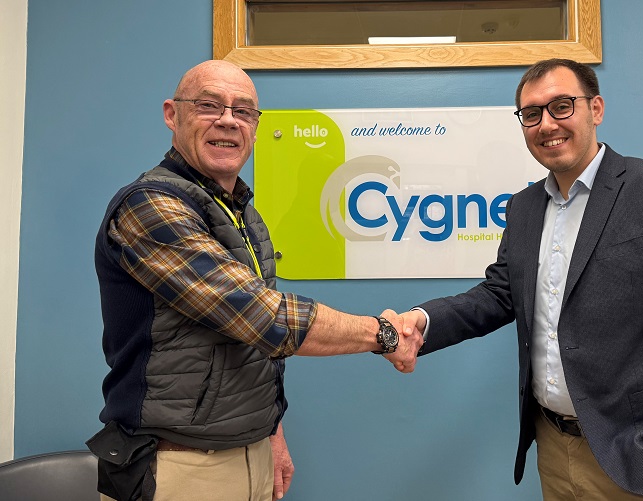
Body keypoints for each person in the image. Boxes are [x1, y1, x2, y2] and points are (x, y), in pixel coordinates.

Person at [399, 58, 643, 500]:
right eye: (531, 114)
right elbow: (499, 294)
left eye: (562, 106)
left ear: (595, 109)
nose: (547, 124)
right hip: (554, 451)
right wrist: (420, 320)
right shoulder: (523, 208)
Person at [88, 59, 423, 501]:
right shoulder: (150, 207)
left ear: (256, 126)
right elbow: (262, 317)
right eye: (209, 105)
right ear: (173, 114)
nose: (228, 120)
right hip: (175, 467)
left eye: (243, 111)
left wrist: (269, 432)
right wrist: (382, 334)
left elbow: (247, 342)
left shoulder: (241, 211)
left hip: (249, 457)